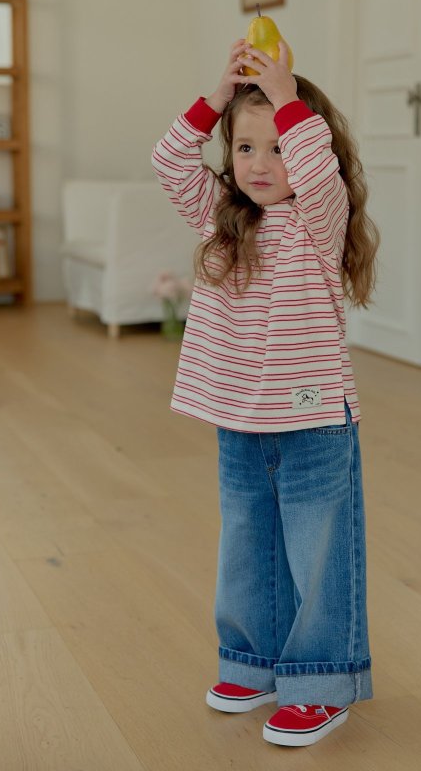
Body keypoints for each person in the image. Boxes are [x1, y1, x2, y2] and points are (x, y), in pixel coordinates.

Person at [151, 38, 379, 747]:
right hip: (239, 417)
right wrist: (217, 98)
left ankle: (322, 682)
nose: (259, 164)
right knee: (247, 543)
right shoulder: (222, 218)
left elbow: (317, 169)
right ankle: (252, 662)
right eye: (245, 148)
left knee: (318, 552)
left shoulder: (319, 219)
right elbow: (168, 161)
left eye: (277, 148)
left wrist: (286, 99)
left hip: (313, 420)